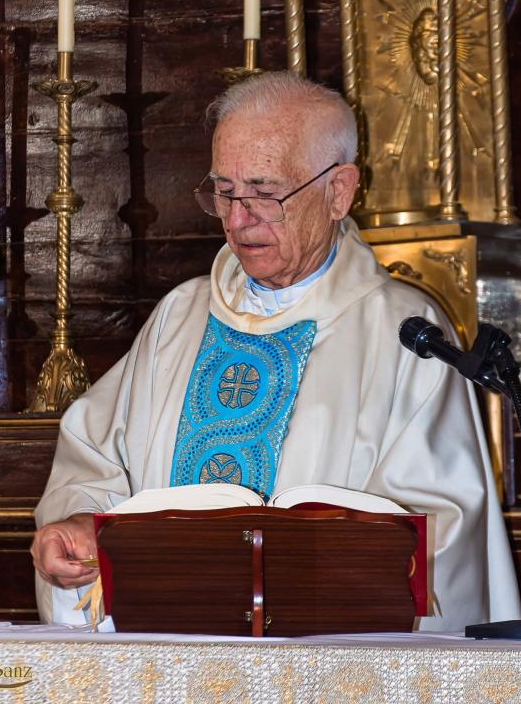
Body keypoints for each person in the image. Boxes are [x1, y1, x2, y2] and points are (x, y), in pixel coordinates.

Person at [32, 71, 521, 630]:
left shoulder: (402, 329)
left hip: (329, 657)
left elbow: (442, 527)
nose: (238, 220)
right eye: (224, 192)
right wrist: (80, 522)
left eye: (265, 194)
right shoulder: (180, 317)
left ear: (338, 192)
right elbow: (94, 459)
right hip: (165, 650)